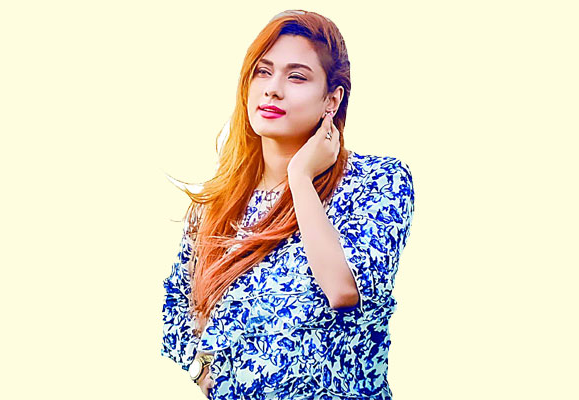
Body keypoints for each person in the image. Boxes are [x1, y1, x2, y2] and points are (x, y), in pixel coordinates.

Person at [161, 9, 415, 399]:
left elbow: (343, 289)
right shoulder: (220, 204)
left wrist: (300, 178)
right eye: (262, 72)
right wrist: (200, 370)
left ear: (332, 99)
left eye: (296, 77)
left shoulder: (378, 180)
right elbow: (176, 302)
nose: (273, 89)